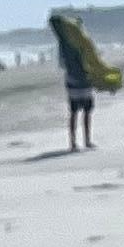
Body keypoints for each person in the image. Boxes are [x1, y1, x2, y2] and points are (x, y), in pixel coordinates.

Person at [49, 9, 112, 150]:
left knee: (73, 112)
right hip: (86, 80)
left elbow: (61, 64)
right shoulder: (83, 40)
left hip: (72, 81)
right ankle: (88, 141)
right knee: (87, 112)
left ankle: (72, 143)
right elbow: (92, 57)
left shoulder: (63, 44)